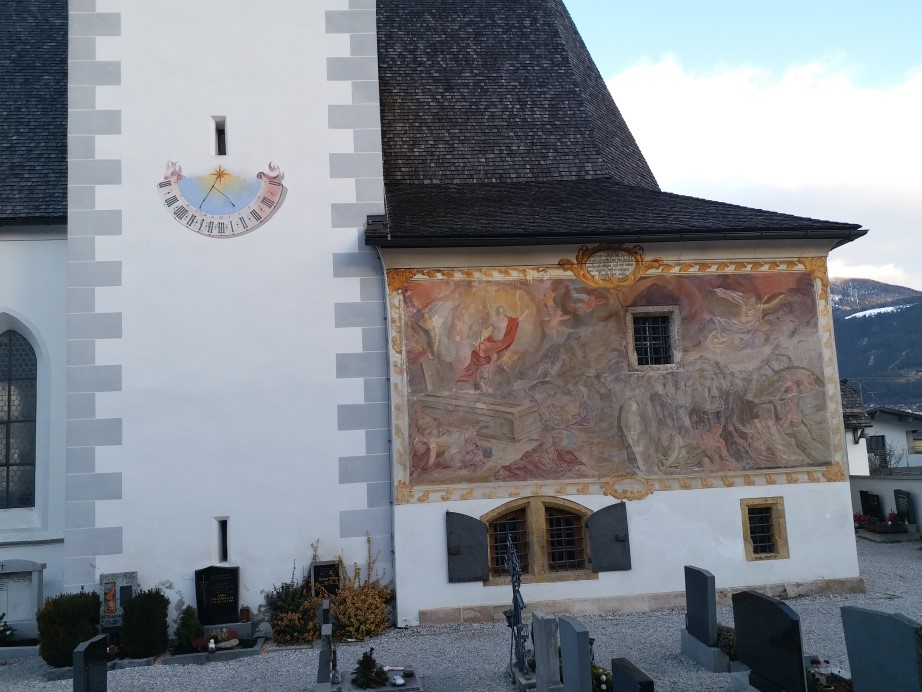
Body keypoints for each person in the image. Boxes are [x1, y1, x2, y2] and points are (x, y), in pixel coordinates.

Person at [456, 305, 519, 389]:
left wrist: (526, 311)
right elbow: (484, 327)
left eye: (502, 310)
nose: (500, 312)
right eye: (499, 310)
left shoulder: (506, 320)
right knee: (488, 359)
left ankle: (487, 380)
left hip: (499, 343)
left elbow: (517, 320)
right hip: (490, 342)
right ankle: (485, 380)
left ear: (503, 311)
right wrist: (481, 324)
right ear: (497, 311)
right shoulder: (493, 319)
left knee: (493, 360)